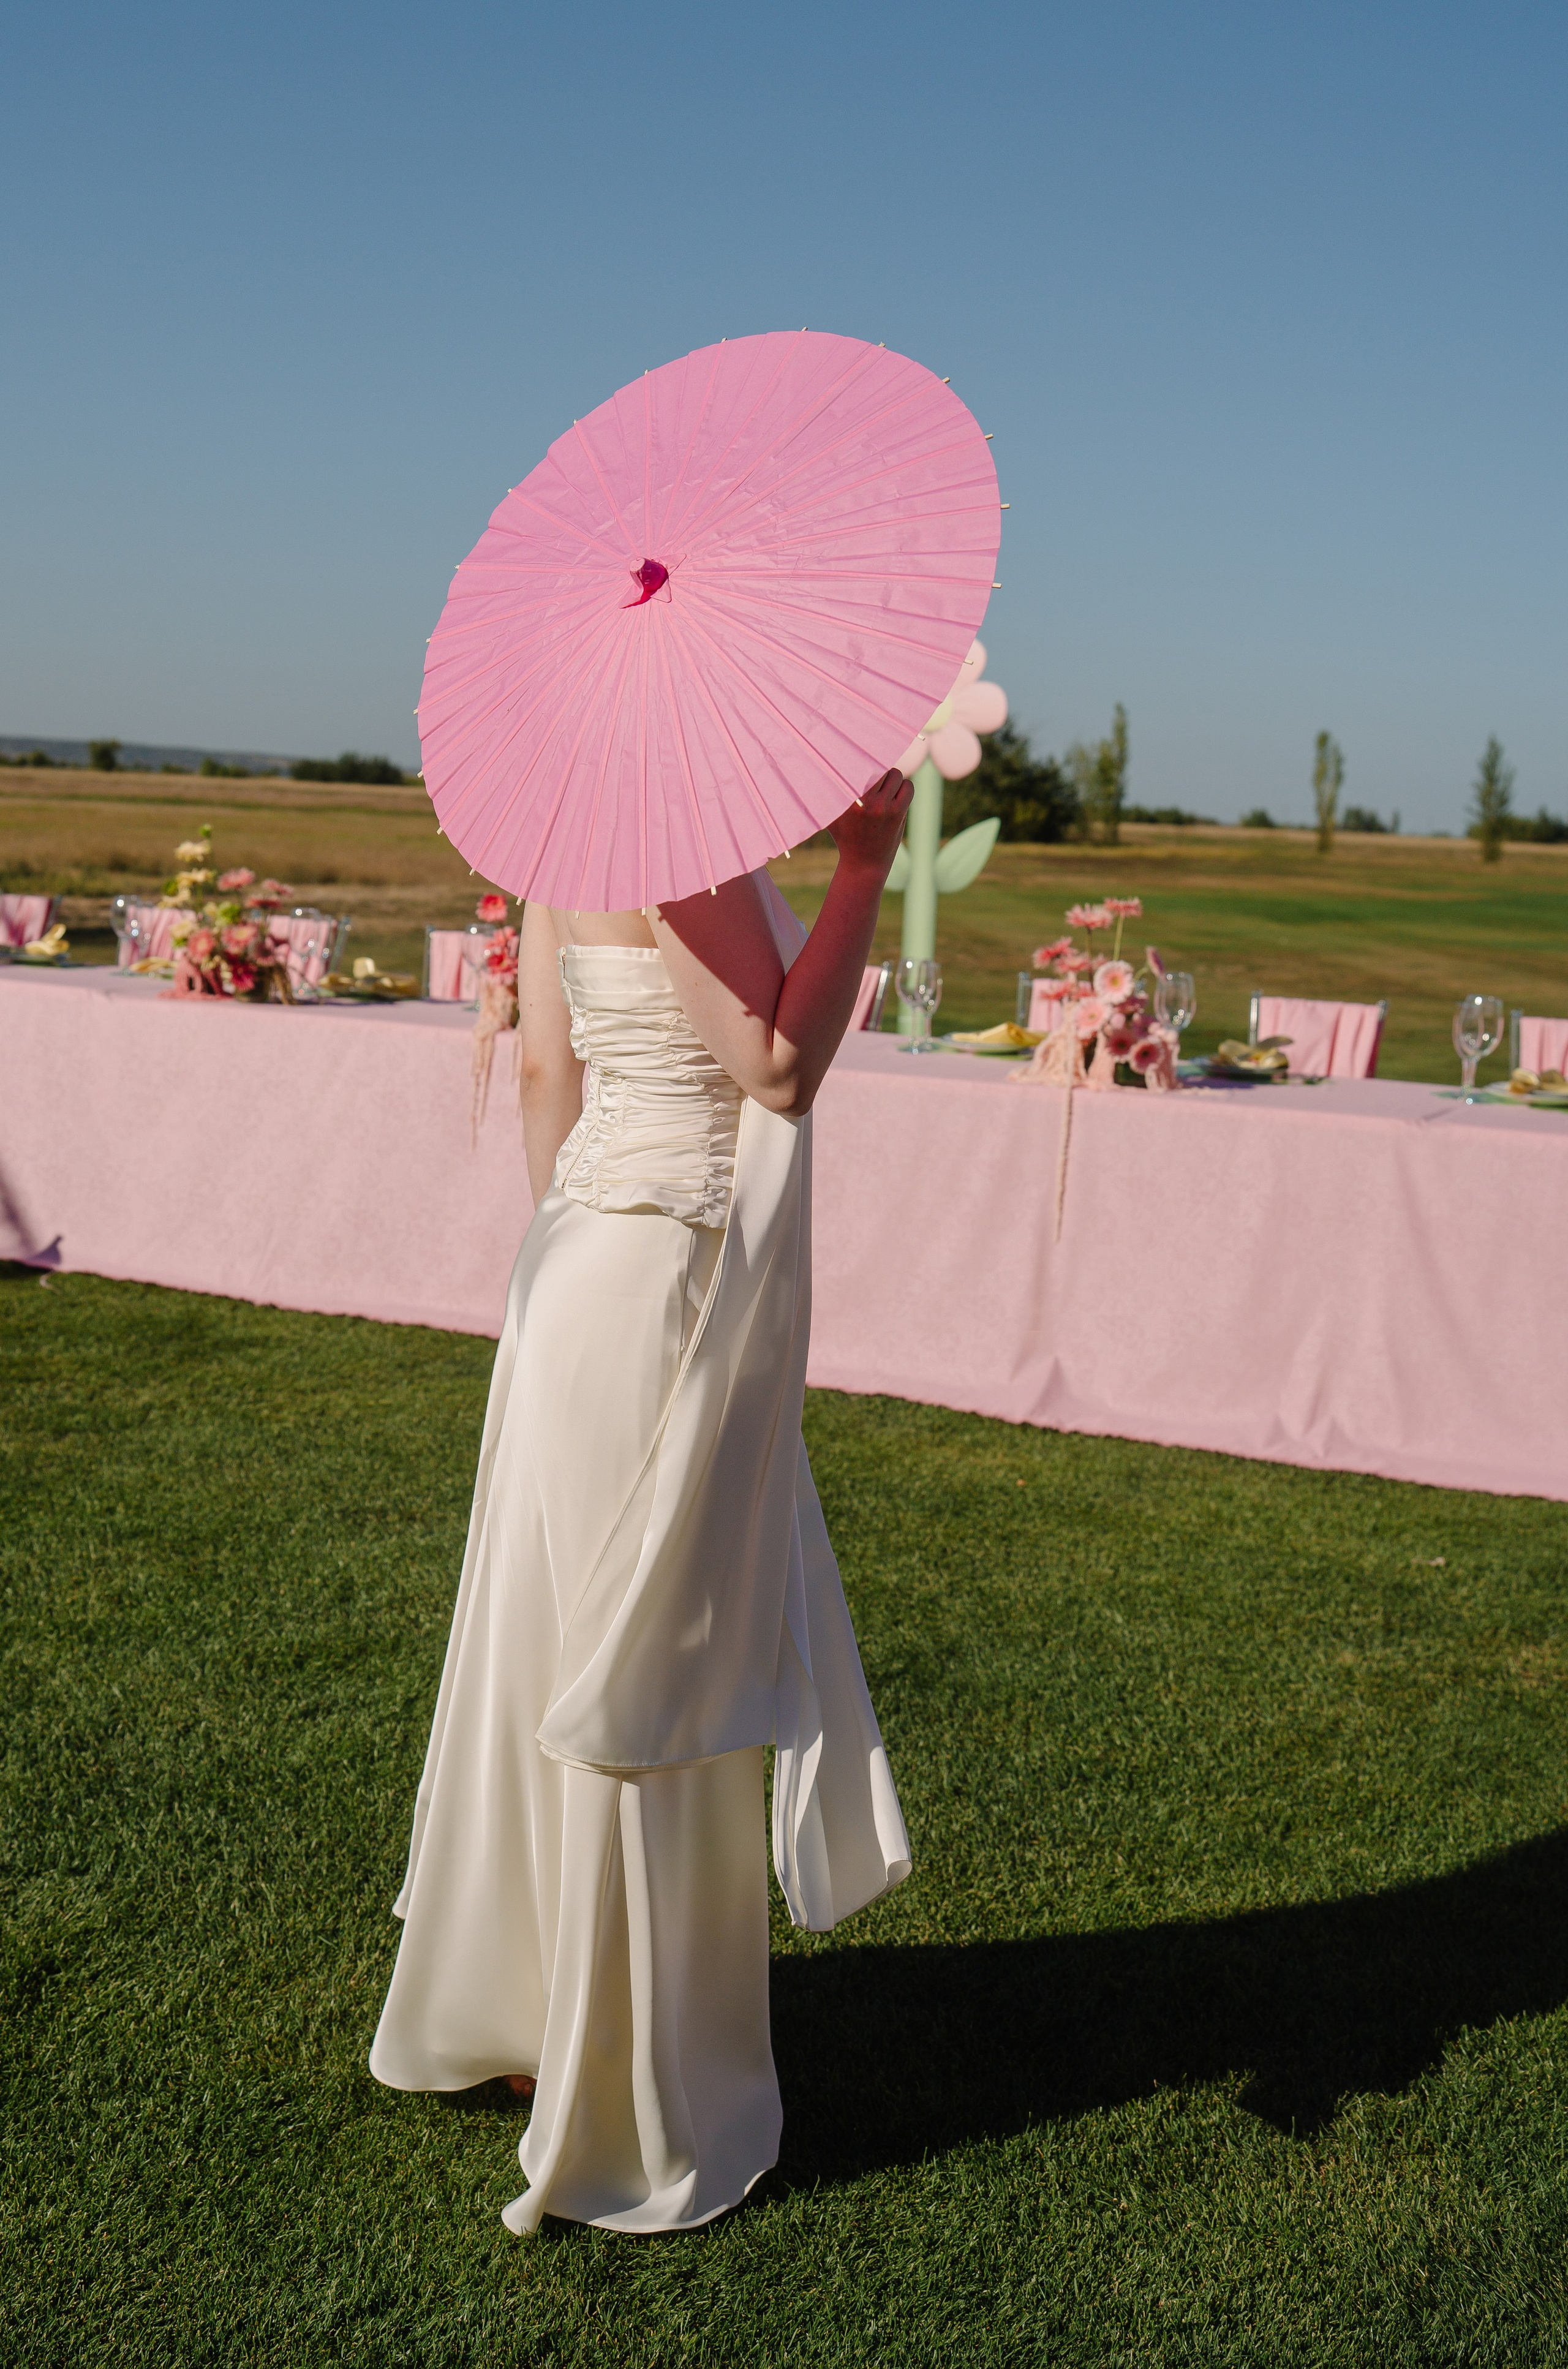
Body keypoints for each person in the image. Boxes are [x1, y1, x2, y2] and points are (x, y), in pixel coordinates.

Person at [370, 769, 916, 2234]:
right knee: (649, 1669)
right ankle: (622, 2079)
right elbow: (776, 1064)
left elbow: (550, 1077)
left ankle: (543, 2011)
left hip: (576, 1273)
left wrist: (580, 1244)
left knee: (562, 1641)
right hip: (656, 1282)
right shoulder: (676, 838)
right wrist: (866, 859)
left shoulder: (559, 831)